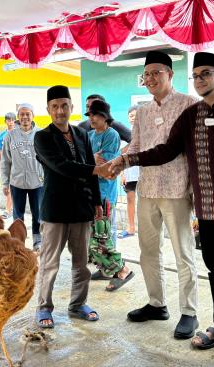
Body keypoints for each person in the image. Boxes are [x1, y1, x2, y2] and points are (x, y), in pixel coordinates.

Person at [110, 52, 214, 367]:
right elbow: (166, 150)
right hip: (207, 210)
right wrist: (126, 160)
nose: (201, 80)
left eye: (206, 73)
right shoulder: (191, 116)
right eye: (197, 75)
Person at [124, 51, 200, 340]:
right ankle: (157, 304)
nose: (151, 78)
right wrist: (118, 162)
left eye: (157, 72)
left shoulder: (188, 105)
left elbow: (194, 150)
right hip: (148, 189)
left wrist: (195, 190)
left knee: (183, 253)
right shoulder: (142, 111)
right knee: (148, 251)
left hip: (177, 189)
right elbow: (136, 145)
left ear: (170, 74)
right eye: (147, 74)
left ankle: (189, 312)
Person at [33, 85, 111, 328]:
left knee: (81, 263)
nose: (60, 111)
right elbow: (61, 166)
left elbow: (90, 172)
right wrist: (95, 168)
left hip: (81, 209)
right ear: (48, 109)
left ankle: (78, 304)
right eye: (55, 106)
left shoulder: (82, 134)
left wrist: (97, 202)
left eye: (64, 105)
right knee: (50, 264)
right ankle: (44, 307)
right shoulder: (42, 137)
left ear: (71, 107)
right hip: (54, 210)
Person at [85, 99, 134, 292]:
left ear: (105, 117)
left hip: (104, 195)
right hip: (90, 192)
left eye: (95, 115)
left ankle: (123, 269)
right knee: (93, 237)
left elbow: (107, 166)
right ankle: (106, 269)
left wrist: (92, 162)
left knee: (102, 236)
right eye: (90, 115)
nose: (92, 118)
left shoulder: (111, 135)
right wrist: (92, 160)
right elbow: (87, 161)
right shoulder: (88, 135)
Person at [0, 103, 44, 251]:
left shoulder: (40, 135)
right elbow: (5, 161)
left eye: (28, 114)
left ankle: (38, 241)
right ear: (18, 117)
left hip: (37, 183)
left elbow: (47, 160)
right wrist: (5, 183)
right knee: (17, 216)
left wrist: (46, 179)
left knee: (38, 214)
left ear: (33, 116)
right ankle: (18, 242)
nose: (25, 117)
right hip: (16, 182)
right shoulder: (10, 136)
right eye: (22, 114)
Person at [119, 105, 139, 239]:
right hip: (130, 172)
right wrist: (122, 174)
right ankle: (131, 228)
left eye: (135, 115)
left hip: (144, 173)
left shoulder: (146, 131)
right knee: (130, 199)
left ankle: (144, 228)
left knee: (145, 202)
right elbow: (120, 155)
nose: (133, 118)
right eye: (130, 116)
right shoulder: (125, 133)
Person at [0, 112, 16, 218]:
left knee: (13, 188)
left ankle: (9, 209)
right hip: (5, 165)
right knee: (6, 187)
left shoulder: (18, 134)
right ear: (5, 121)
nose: (10, 122)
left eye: (12, 120)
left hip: (16, 166)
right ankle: (9, 210)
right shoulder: (2, 135)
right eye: (8, 120)